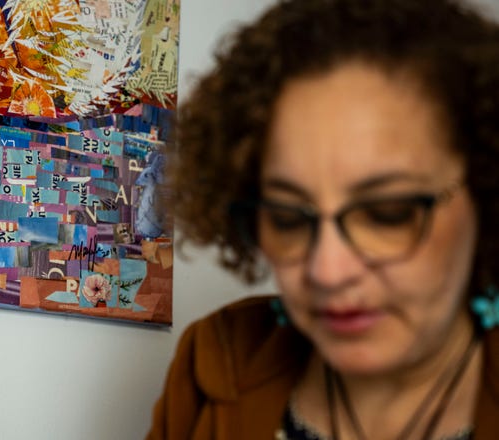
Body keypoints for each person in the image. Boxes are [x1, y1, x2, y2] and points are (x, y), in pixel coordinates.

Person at [147, 0, 499, 438]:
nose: (327, 272)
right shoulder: (216, 359)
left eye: (386, 214)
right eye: (287, 218)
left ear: (486, 190)